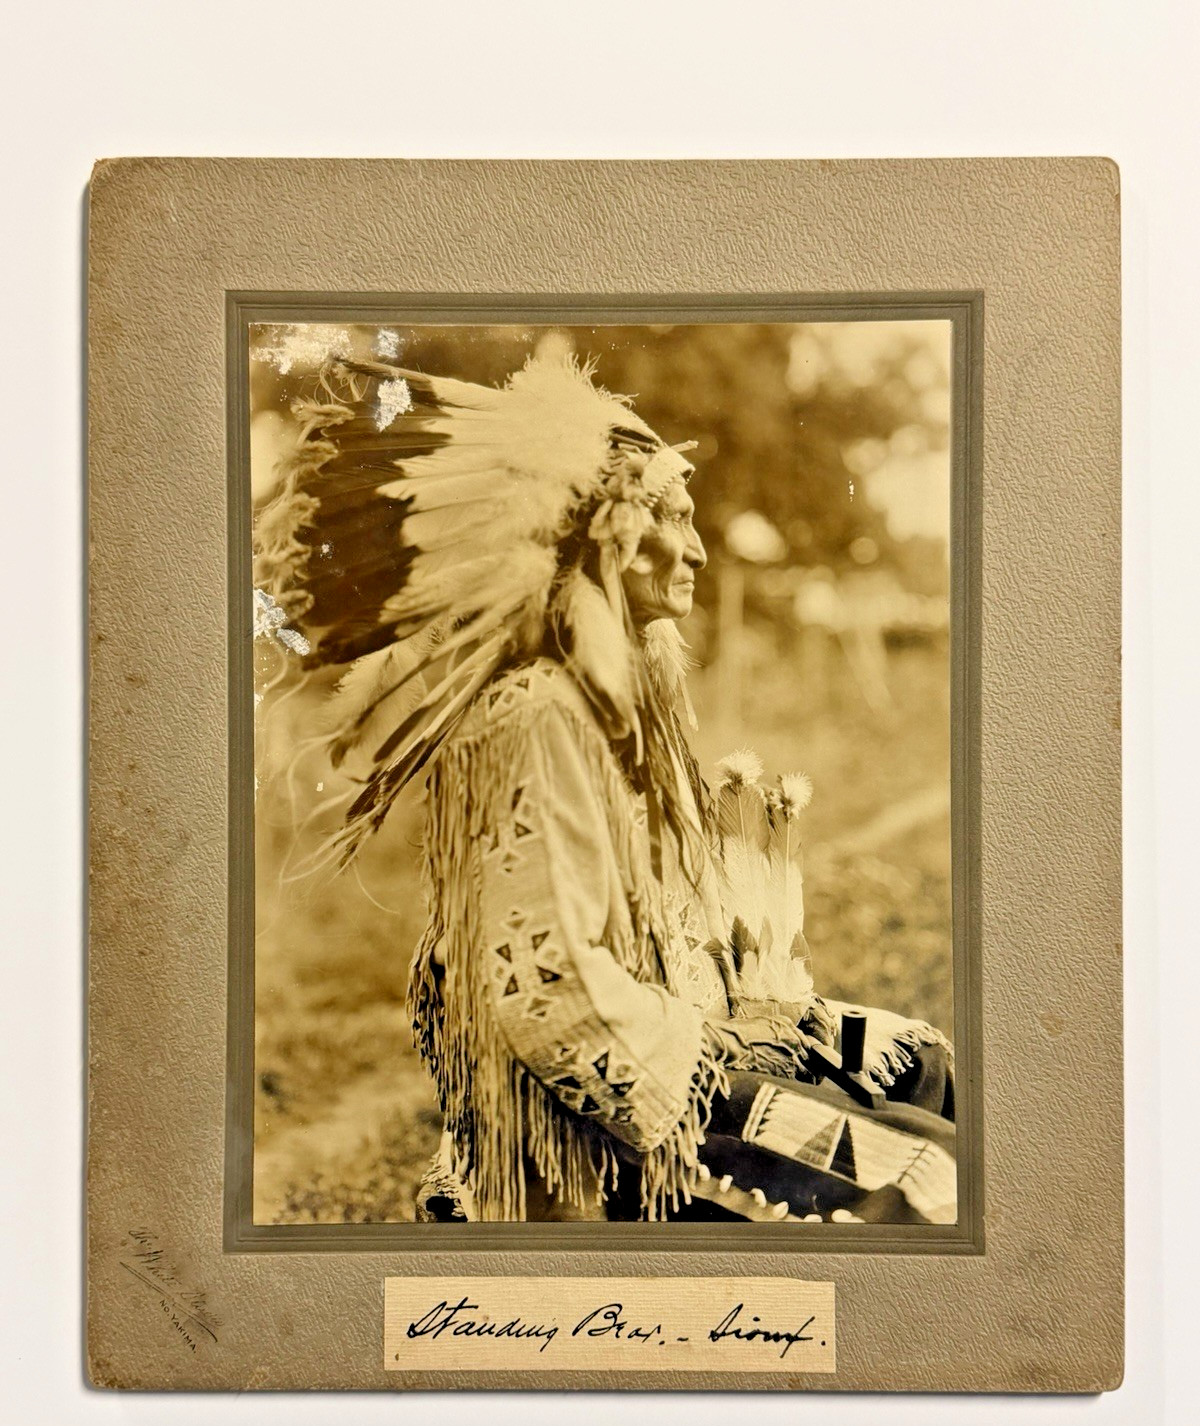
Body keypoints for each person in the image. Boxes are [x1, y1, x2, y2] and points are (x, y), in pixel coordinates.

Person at [255, 349, 953, 1224]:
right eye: (674, 516)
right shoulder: (536, 717)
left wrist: (757, 1020)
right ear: (602, 531)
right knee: (931, 1181)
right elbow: (542, 998)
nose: (697, 547)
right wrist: (715, 1057)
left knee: (924, 1070)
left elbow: (649, 937)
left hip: (657, 1064)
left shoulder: (610, 706)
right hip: (599, 1144)